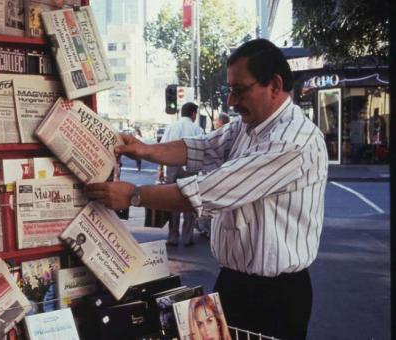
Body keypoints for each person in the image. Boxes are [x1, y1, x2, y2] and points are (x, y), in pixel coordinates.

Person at [85, 39, 328, 340]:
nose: (231, 102)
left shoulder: (293, 141)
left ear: (275, 85)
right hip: (233, 283)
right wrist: (145, 150)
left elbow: (210, 191)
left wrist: (135, 195)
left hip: (275, 296)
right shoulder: (248, 126)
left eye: (239, 90)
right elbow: (201, 147)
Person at [160, 102, 204, 247]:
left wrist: (160, 170)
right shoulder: (197, 129)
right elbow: (203, 152)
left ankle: (172, 236)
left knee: (172, 201)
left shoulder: (172, 127)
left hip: (172, 166)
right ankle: (187, 237)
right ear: (193, 114)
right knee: (190, 201)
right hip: (191, 167)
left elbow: (161, 148)